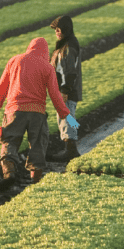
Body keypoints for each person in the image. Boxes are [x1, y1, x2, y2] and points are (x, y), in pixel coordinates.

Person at [0, 37, 80, 191]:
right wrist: (66, 115)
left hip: (14, 110)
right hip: (37, 113)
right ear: (45, 51)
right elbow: (55, 95)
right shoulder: (47, 67)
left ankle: (9, 172)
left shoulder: (14, 61)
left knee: (9, 141)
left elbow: (2, 86)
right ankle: (35, 180)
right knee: (38, 144)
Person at [47, 15, 83, 162]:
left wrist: (65, 91)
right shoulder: (66, 44)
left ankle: (70, 151)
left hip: (66, 90)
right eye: (55, 29)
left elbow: (69, 71)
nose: (56, 32)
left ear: (65, 30)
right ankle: (73, 146)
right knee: (70, 117)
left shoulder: (68, 47)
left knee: (66, 118)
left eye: (58, 29)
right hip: (66, 89)